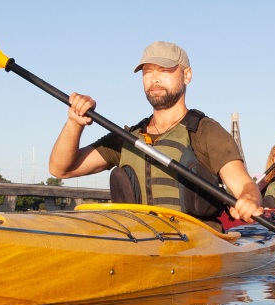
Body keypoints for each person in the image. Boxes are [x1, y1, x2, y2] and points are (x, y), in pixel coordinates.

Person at [48, 41, 263, 223]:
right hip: (138, 243)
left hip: (195, 248)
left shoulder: (205, 132)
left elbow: (244, 185)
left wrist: (249, 200)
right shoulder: (126, 138)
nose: (154, 79)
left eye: (164, 70)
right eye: (148, 72)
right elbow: (61, 169)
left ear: (186, 75)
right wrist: (74, 123)